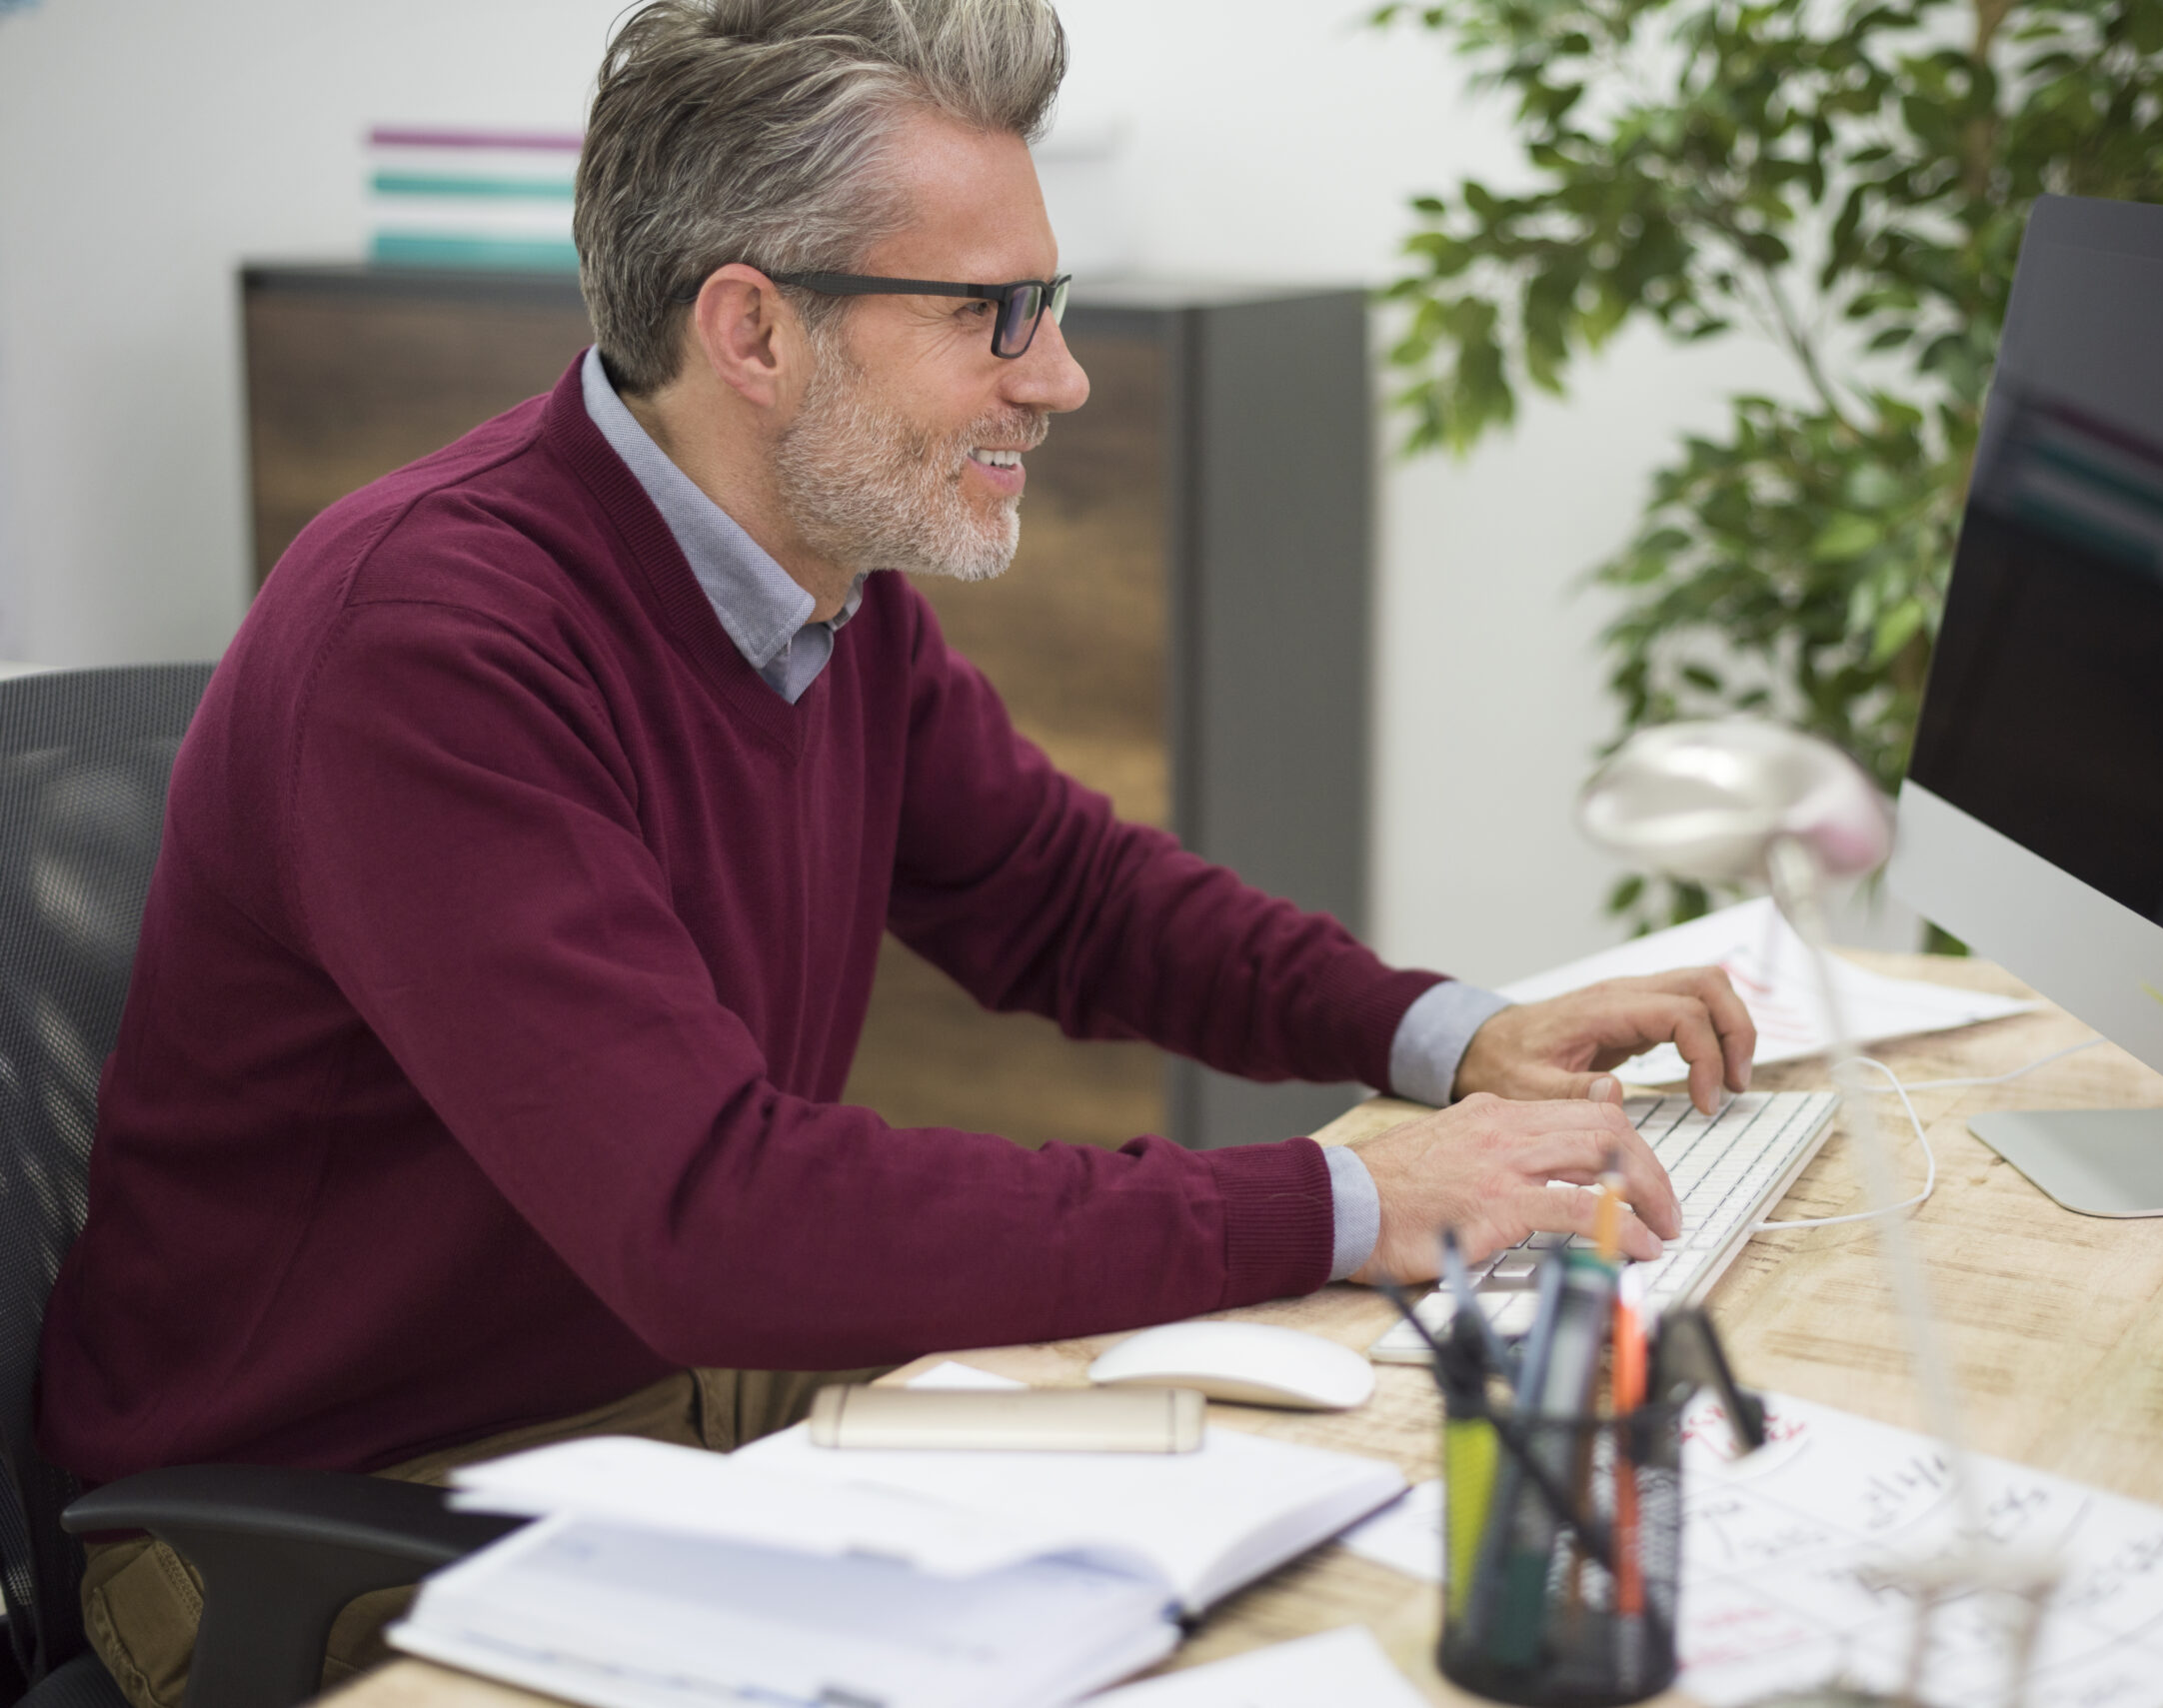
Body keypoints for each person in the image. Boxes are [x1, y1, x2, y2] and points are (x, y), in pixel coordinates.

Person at [38, 3, 1755, 1702]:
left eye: (1052, 302)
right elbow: (715, 1216)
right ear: (754, 332)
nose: (1060, 374)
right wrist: (1353, 1199)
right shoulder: (429, 639)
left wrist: (1450, 1034)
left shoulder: (814, 580)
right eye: (993, 314)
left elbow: (1075, 901)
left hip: (677, 1412)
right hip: (345, 1532)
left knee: (1302, 1554)